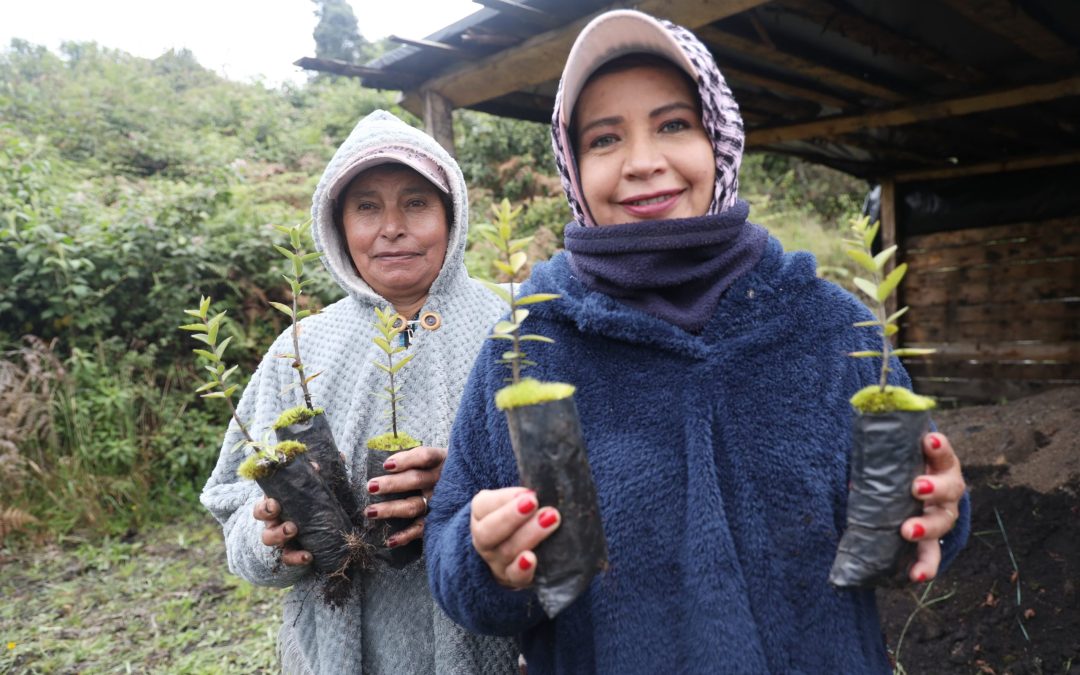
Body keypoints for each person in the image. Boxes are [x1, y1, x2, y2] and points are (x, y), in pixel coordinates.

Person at [424, 10, 970, 673]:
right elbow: (451, 553)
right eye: (604, 138)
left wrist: (938, 512)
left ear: (720, 138)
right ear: (572, 164)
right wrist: (485, 560)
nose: (643, 162)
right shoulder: (529, 342)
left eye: (674, 125)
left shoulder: (832, 326)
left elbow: (914, 524)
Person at [200, 109, 519, 673]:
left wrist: (460, 489)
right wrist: (270, 533)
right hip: (337, 653)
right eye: (367, 207)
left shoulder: (513, 327)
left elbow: (579, 481)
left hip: (493, 642)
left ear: (453, 215)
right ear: (337, 226)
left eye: (416, 203)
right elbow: (232, 504)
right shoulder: (301, 347)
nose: (391, 227)